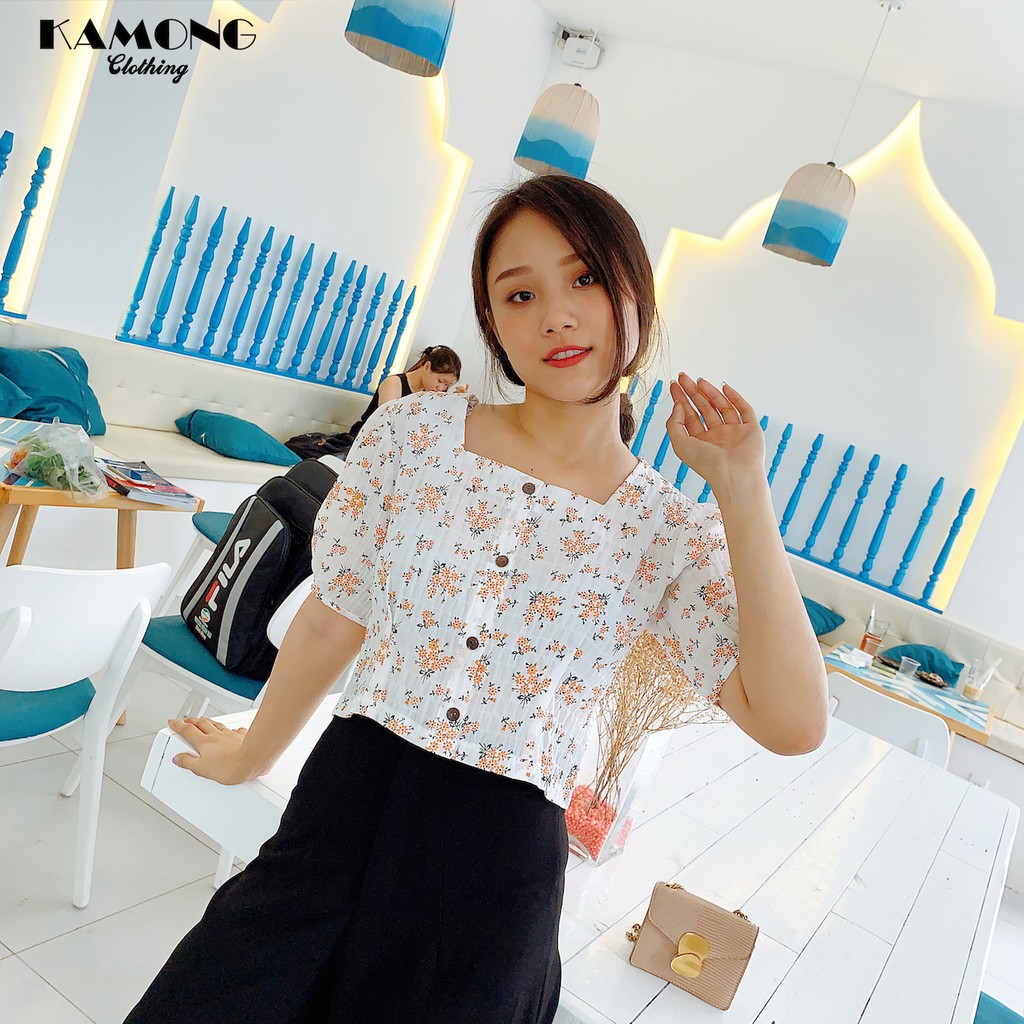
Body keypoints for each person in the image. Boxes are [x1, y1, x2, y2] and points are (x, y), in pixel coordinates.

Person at [125, 175, 828, 1024]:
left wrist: (743, 489)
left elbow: (793, 723)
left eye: (585, 279)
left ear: (636, 295)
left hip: (493, 884)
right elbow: (333, 617)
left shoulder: (666, 529)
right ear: (493, 322)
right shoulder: (413, 436)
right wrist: (251, 754)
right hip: (338, 818)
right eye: (519, 294)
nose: (556, 316)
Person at [284, 345, 464, 460]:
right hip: (364, 442)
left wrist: (456, 405)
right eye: (441, 381)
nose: (441, 388)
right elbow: (390, 423)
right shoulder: (394, 383)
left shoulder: (431, 395)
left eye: (447, 386)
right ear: (427, 366)